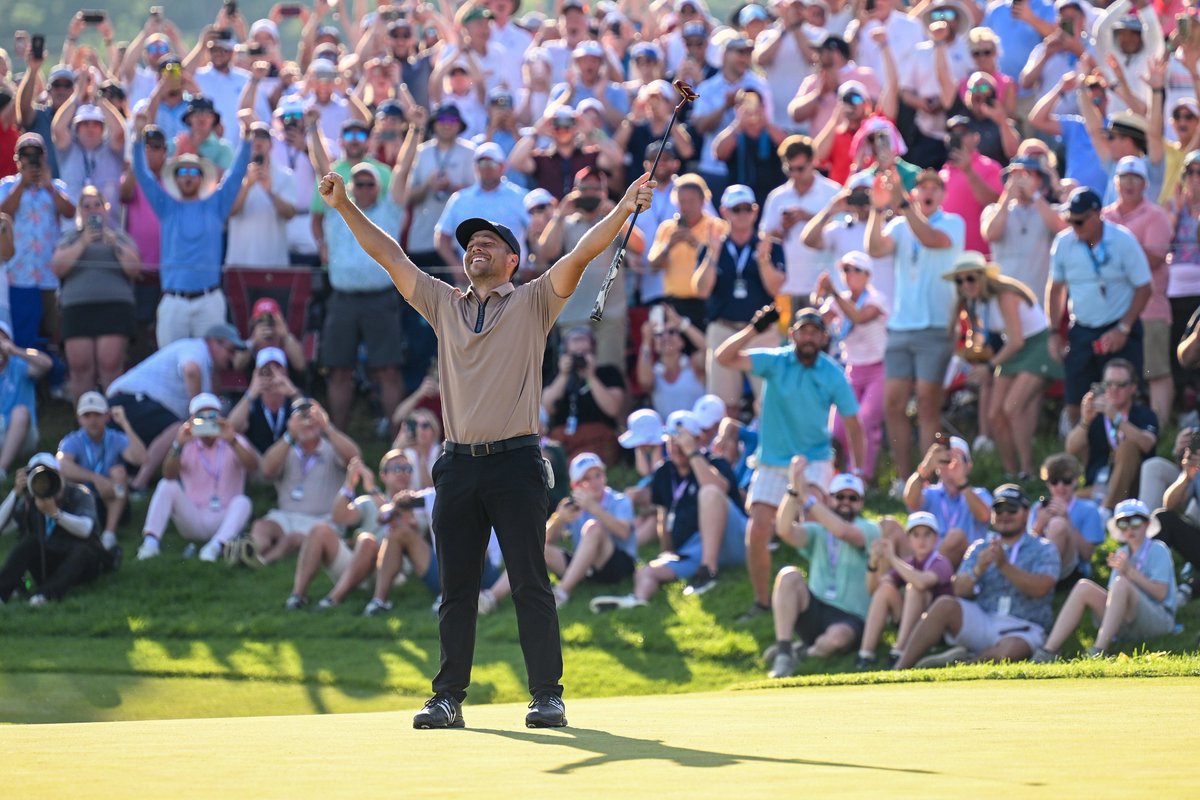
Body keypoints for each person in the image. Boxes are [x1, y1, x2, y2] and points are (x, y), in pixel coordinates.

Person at [316, 157, 657, 729]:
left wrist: (623, 207)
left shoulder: (534, 300)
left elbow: (580, 254)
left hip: (518, 462)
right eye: (471, 242)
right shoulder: (443, 302)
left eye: (490, 243)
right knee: (456, 590)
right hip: (456, 467)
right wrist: (346, 205)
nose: (477, 248)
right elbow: (390, 256)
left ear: (513, 259)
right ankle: (447, 697)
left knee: (529, 582)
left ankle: (547, 694)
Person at [716, 307, 864, 620]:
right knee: (757, 529)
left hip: (815, 460)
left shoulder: (831, 372)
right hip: (771, 461)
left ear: (824, 338)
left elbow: (853, 424)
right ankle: (762, 602)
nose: (809, 337)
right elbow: (722, 358)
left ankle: (818, 601)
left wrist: (858, 471)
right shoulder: (776, 361)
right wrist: (755, 328)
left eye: (815, 331)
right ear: (793, 334)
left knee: (815, 519)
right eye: (803, 330)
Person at [590, 410, 747, 610]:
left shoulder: (715, 463)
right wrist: (667, 551)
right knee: (645, 571)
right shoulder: (664, 472)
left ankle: (709, 572)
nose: (677, 446)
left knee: (709, 493)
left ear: (698, 440)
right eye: (672, 441)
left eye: (683, 440)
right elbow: (664, 516)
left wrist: (693, 453)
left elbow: (718, 489)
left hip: (733, 539)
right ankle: (637, 601)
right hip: (693, 549)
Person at [868, 167, 963, 491]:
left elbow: (930, 238)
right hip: (900, 326)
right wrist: (877, 208)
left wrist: (902, 204)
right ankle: (903, 477)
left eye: (935, 186)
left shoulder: (953, 223)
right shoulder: (898, 224)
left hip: (935, 327)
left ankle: (930, 480)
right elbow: (875, 249)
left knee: (927, 406)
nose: (928, 191)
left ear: (942, 194)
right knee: (893, 404)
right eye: (922, 186)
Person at [894, 485, 1060, 669]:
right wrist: (978, 569)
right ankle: (899, 669)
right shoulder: (980, 547)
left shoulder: (1044, 548)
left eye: (1012, 509)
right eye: (999, 509)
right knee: (944, 604)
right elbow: (958, 589)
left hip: (1024, 626)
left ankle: (961, 665)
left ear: (1027, 514)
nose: (1005, 515)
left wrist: (1005, 566)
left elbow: (1041, 588)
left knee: (1010, 651)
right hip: (984, 618)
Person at [132, 104, 251, 346]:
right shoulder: (167, 206)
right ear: (175, 177)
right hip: (173, 302)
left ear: (201, 176)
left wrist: (247, 138)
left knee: (210, 367)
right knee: (168, 367)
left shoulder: (216, 204)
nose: (187, 175)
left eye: (193, 171)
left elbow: (237, 173)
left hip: (209, 300)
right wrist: (136, 138)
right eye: (182, 170)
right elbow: (143, 175)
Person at [943, 251, 1061, 478]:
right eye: (960, 280)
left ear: (984, 277)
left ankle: (1028, 471)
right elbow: (981, 337)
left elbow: (1016, 340)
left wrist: (988, 367)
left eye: (971, 278)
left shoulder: (1005, 296)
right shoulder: (976, 302)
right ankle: (1011, 473)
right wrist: (969, 357)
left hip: (1036, 347)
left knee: (1012, 408)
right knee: (995, 415)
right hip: (1014, 351)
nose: (966, 284)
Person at [766, 461, 881, 678]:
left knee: (836, 639)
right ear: (829, 499)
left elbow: (844, 532)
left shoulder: (870, 529)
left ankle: (801, 653)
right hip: (816, 608)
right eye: (840, 497)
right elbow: (784, 530)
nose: (846, 502)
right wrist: (793, 490)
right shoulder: (818, 531)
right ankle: (783, 652)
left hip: (850, 616)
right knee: (788, 575)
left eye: (852, 498)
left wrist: (807, 500)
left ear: (861, 503)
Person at [1050, 187, 1152, 425]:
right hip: (1083, 330)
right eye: (1069, 221)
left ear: (1096, 215)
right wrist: (1054, 332)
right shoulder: (1063, 243)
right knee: (1075, 400)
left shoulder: (1123, 239)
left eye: (1079, 221)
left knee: (1124, 399)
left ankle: (1124, 455)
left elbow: (1145, 287)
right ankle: (1081, 456)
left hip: (1120, 329)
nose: (1074, 227)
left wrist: (1123, 329)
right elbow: (1055, 290)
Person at [106, 323, 245, 492]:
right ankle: (139, 484)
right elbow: (191, 371)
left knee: (182, 427)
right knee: (181, 428)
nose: (232, 357)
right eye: (230, 351)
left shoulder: (208, 367)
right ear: (214, 342)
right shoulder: (197, 348)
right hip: (128, 400)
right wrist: (199, 417)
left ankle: (136, 480)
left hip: (139, 405)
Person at [1033, 499, 1176, 661]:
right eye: (1123, 523)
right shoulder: (1122, 552)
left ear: (1147, 524)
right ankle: (1047, 651)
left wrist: (1129, 571)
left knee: (1121, 583)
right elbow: (1115, 599)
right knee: (1083, 587)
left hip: (1159, 621)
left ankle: (1099, 651)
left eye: (1136, 521)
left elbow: (1161, 594)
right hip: (1127, 622)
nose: (1130, 528)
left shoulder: (1158, 549)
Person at [693, 183, 786, 412]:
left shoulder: (770, 247)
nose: (743, 214)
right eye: (737, 209)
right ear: (724, 212)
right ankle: (726, 448)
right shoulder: (711, 247)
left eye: (748, 208)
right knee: (723, 406)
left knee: (769, 402)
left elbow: (776, 288)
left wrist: (763, 260)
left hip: (761, 332)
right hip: (723, 330)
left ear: (755, 211)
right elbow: (701, 289)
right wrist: (713, 255)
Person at [538, 165, 642, 366]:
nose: (590, 194)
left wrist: (617, 213)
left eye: (596, 189)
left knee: (609, 373)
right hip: (573, 314)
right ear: (575, 192)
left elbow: (639, 246)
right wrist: (559, 214)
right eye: (585, 189)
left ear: (604, 192)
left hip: (609, 314)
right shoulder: (566, 224)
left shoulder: (613, 222)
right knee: (572, 374)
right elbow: (546, 252)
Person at [285, 451, 416, 610]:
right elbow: (339, 517)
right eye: (397, 468)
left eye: (407, 468)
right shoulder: (368, 502)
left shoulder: (418, 503)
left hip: (391, 574)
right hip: (359, 566)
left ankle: (333, 599)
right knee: (319, 530)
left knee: (367, 540)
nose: (403, 473)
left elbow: (394, 517)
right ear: (383, 475)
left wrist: (372, 488)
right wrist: (349, 485)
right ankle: (297, 597)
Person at [136, 393, 258, 562]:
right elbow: (169, 474)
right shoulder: (186, 443)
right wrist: (178, 444)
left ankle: (215, 547)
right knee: (166, 485)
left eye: (212, 416)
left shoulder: (234, 440)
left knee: (243, 502)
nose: (207, 422)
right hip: (193, 517)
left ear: (220, 417)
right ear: (192, 420)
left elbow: (253, 467)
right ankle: (150, 544)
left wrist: (232, 441)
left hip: (225, 517)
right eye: (201, 418)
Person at [1101, 156, 1174, 428]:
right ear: (1116, 182)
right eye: (1124, 178)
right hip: (1112, 310)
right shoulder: (1104, 216)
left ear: (1145, 184)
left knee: (1155, 372)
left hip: (1150, 308)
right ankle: (1113, 430)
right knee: (1115, 375)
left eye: (1135, 178)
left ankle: (1160, 429)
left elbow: (1153, 259)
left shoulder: (1156, 216)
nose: (1129, 184)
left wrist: (1118, 252)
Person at [50, 186, 141, 400]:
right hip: (77, 309)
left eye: (97, 205)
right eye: (87, 206)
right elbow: (57, 268)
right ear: (80, 211)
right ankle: (84, 423)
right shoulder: (70, 238)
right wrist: (83, 243)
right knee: (80, 367)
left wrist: (114, 245)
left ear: (106, 209)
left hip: (114, 308)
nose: (93, 210)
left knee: (110, 364)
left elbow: (134, 269)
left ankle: (114, 424)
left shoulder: (120, 237)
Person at [250, 398, 360, 566]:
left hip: (323, 520)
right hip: (286, 517)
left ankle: (261, 561)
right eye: (300, 417)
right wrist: (289, 436)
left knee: (293, 539)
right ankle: (251, 551)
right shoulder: (286, 449)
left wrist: (327, 428)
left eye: (312, 416)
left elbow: (355, 458)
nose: (307, 422)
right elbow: (266, 470)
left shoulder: (332, 447)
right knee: (261, 527)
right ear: (290, 422)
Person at [520, 452, 635, 609]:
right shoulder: (574, 505)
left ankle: (561, 592)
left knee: (593, 527)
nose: (595, 482)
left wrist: (594, 508)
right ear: (576, 486)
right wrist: (559, 519)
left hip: (618, 565)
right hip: (586, 569)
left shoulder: (620, 501)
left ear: (604, 476)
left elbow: (624, 533)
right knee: (536, 547)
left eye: (598, 475)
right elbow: (544, 542)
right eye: (587, 479)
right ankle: (492, 597)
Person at [817, 251, 888, 479]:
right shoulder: (839, 300)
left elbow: (858, 317)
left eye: (855, 269)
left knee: (865, 421)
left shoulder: (876, 299)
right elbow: (816, 324)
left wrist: (834, 294)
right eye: (845, 269)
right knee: (836, 428)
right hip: (852, 370)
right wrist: (819, 296)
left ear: (868, 275)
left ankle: (861, 477)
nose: (849, 274)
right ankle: (837, 477)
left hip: (879, 370)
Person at [0, 132, 75, 347]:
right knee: (22, 336)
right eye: (26, 154)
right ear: (17, 159)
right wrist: (22, 184)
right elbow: (3, 214)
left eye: (36, 154)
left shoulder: (56, 187)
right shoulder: (6, 186)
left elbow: (70, 212)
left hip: (48, 275)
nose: (31, 159)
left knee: (49, 334)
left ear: (44, 157)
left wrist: (48, 186)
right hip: (18, 275)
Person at [0, 453, 104, 605]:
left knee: (83, 550)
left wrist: (54, 513)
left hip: (82, 563)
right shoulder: (30, 502)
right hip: (48, 562)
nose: (44, 482)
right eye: (37, 477)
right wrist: (15, 492)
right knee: (29, 542)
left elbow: (85, 529)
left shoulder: (79, 494)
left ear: (60, 474)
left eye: (48, 474)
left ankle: (46, 595)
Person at [857, 511, 954, 670]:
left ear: (936, 539)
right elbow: (875, 590)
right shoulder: (909, 563)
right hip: (915, 625)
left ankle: (899, 650)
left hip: (938, 630)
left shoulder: (941, 563)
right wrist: (873, 562)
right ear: (909, 540)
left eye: (927, 534)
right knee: (886, 589)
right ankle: (865, 654)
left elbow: (922, 583)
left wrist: (892, 558)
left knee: (914, 589)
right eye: (916, 535)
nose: (921, 540)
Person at [56, 392, 146, 552]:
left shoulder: (116, 438)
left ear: (107, 416)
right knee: (66, 477)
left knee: (119, 473)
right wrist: (96, 478)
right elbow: (61, 465)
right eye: (87, 415)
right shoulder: (72, 440)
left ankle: (109, 534)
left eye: (97, 414)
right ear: (79, 419)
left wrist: (124, 423)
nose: (92, 420)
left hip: (112, 498)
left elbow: (141, 458)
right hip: (84, 499)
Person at [759, 135, 841, 309]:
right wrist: (783, 228)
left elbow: (843, 231)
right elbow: (766, 237)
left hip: (825, 286)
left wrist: (808, 217)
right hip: (789, 288)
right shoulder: (777, 197)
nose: (795, 174)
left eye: (800, 168)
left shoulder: (833, 192)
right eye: (790, 169)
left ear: (813, 162)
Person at [1066, 358, 1159, 510]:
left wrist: (1116, 418)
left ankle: (1106, 512)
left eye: (1120, 385)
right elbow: (1070, 449)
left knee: (1127, 447)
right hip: (1097, 486)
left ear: (1133, 387)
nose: (1113, 389)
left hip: (1133, 487)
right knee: (1060, 503)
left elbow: (1147, 444)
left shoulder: (1145, 414)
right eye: (1108, 384)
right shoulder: (1096, 416)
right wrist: (1085, 421)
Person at [647, 173, 727, 327]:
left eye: (691, 201)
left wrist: (698, 246)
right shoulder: (667, 228)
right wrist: (668, 247)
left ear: (703, 201)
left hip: (707, 302)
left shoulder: (717, 227)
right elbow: (652, 267)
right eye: (682, 202)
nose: (686, 207)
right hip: (674, 304)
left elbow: (725, 264)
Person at [901, 436, 992, 566]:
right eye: (946, 459)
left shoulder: (979, 494)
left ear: (969, 466)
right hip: (925, 556)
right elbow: (910, 500)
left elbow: (985, 515)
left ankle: (922, 574)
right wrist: (925, 469)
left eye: (958, 459)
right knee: (889, 526)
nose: (951, 465)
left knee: (956, 537)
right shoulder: (930, 493)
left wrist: (961, 482)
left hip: (964, 563)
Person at [541, 327, 626, 464]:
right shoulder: (557, 377)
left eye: (585, 353)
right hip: (563, 441)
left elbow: (613, 409)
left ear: (594, 353)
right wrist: (563, 376)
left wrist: (591, 377)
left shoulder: (608, 374)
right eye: (574, 354)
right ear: (565, 354)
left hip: (598, 439)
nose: (579, 358)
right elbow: (546, 408)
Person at [226, 121, 296, 267]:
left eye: (263, 137)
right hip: (240, 263)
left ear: (271, 144)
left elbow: (289, 214)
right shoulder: (233, 175)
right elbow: (228, 213)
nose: (257, 141)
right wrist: (247, 186)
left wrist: (270, 192)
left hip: (275, 264)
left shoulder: (285, 176)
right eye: (253, 137)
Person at [1029, 453, 1105, 583]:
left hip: (1074, 570)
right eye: (1054, 481)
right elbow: (1025, 547)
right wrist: (1039, 525)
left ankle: (1040, 581)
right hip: (1037, 564)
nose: (1060, 487)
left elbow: (1086, 555)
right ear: (1048, 483)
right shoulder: (1039, 507)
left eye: (1066, 481)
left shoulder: (1089, 509)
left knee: (1057, 524)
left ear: (1075, 481)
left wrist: (1066, 519)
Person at [636, 303, 708, 421]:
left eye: (672, 332)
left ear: (682, 341)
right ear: (655, 345)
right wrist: (646, 341)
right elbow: (644, 382)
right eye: (659, 335)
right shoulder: (654, 372)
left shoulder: (694, 364)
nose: (666, 337)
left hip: (697, 433)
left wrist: (681, 323)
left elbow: (709, 349)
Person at [0, 321, 52, 481]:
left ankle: (1, 470)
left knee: (21, 411)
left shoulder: (20, 366)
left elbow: (47, 364)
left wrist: (16, 351)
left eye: (2, 340)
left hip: (23, 435)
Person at [228, 347, 301, 455]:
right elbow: (231, 429)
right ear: (256, 373)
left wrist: (293, 393)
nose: (272, 373)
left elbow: (313, 421)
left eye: (277, 367)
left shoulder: (295, 397)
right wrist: (251, 393)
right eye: (266, 369)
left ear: (286, 371)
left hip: (291, 460)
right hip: (256, 462)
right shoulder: (250, 401)